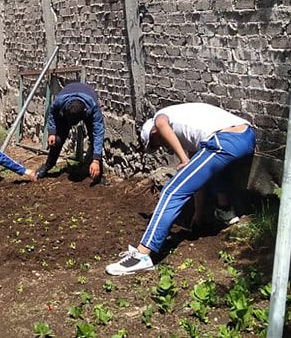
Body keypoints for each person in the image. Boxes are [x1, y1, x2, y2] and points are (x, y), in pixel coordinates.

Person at [105, 103, 255, 276]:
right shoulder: (192, 134)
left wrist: (183, 160)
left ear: (154, 133)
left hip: (225, 140)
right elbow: (195, 181)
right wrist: (198, 214)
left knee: (171, 190)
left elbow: (161, 124)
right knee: (210, 170)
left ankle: (142, 255)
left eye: (156, 144)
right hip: (245, 135)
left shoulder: (160, 118)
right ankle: (225, 211)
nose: (162, 148)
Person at [37, 81, 106, 182]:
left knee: (93, 136)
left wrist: (95, 160)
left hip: (87, 103)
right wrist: (52, 132)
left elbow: (98, 134)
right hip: (68, 99)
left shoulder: (93, 108)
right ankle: (47, 166)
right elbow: (52, 113)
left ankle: (98, 174)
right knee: (58, 139)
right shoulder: (60, 102)